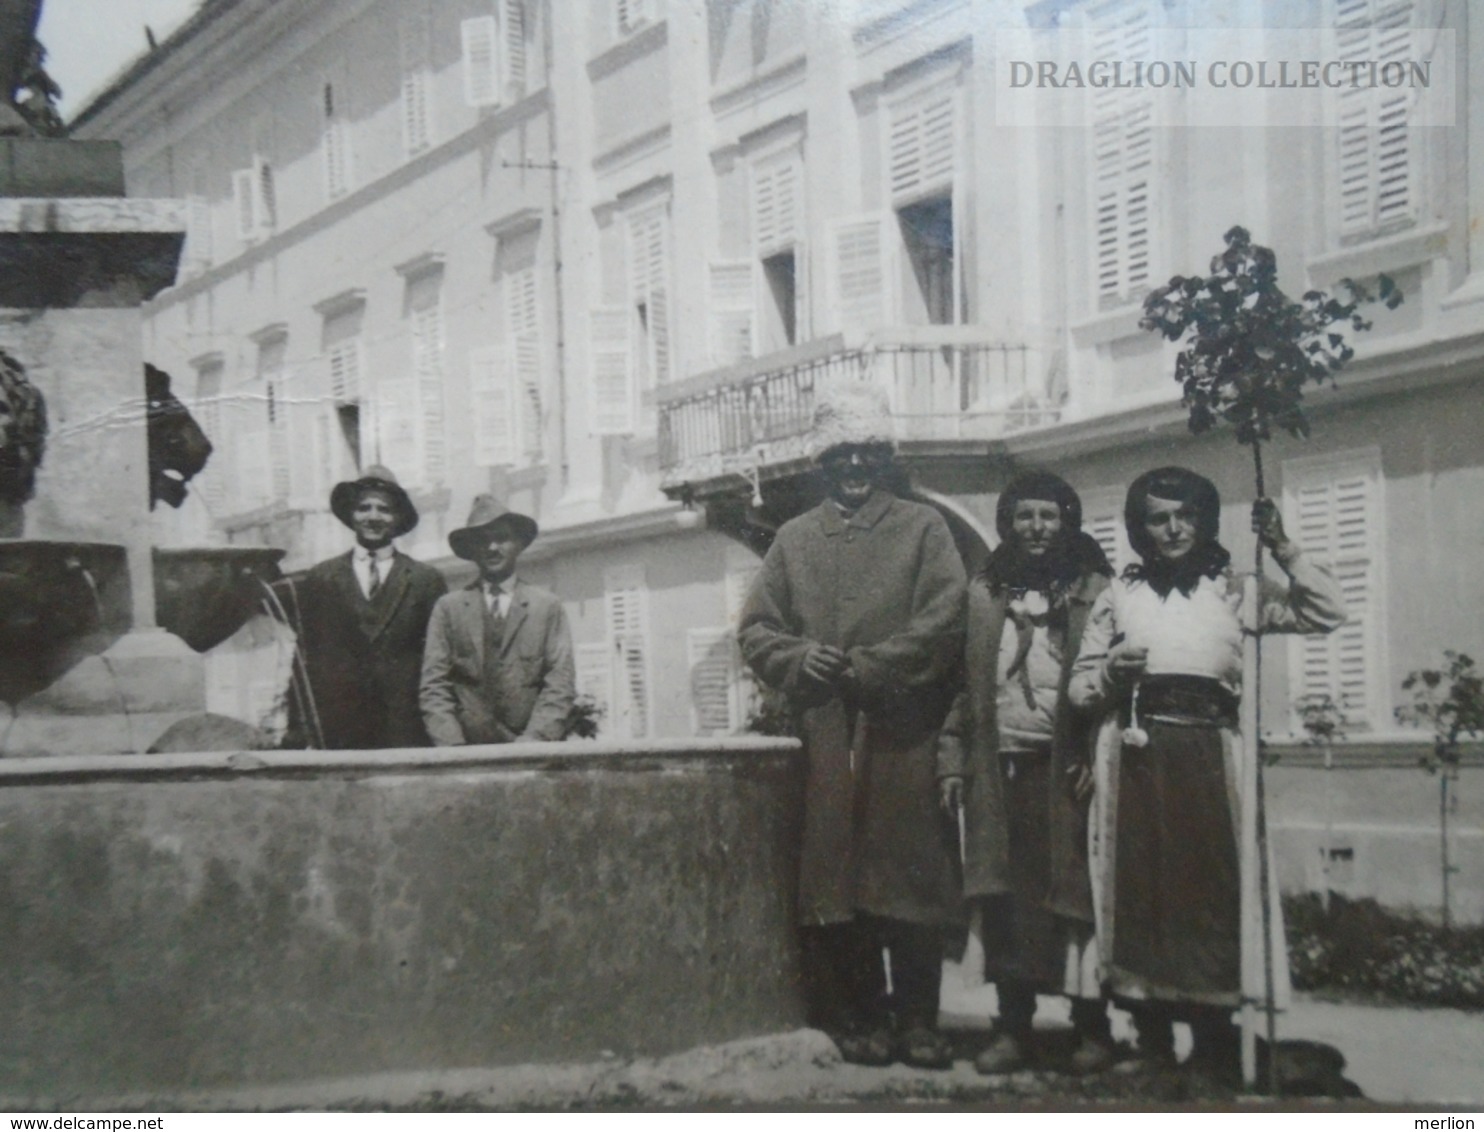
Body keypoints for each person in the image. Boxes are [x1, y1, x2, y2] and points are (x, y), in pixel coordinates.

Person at [1068, 466, 1345, 1081]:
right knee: (1141, 891)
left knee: (1210, 893)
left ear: (1206, 519)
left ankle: (1215, 1044)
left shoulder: (1239, 588)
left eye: (1184, 515)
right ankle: (1152, 1042)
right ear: (1140, 527)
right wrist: (1112, 672)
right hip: (1136, 756)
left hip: (1212, 757)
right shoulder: (1121, 595)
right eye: (1158, 518)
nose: (1172, 529)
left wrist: (1282, 546)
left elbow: (1327, 611)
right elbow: (1080, 692)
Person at [737, 383, 966, 1070]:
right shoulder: (795, 539)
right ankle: (863, 1015)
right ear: (823, 466)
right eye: (842, 457)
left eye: (868, 454)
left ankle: (920, 1020)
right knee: (843, 883)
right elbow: (755, 630)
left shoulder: (924, 529)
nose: (856, 468)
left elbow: (946, 616)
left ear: (885, 459)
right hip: (826, 734)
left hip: (905, 727)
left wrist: (875, 666)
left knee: (910, 876)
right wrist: (802, 657)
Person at [937, 470, 1117, 1075]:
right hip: (1000, 771)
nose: (1036, 528)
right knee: (1004, 898)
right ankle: (1012, 1027)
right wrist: (952, 761)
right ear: (1007, 524)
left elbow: (1112, 687)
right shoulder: (986, 593)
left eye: (1049, 515)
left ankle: (1090, 1028)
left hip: (1067, 774)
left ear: (1067, 521)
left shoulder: (1095, 590)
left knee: (1074, 899)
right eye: (1024, 516)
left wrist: (1096, 755)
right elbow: (965, 686)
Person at [285, 465, 448, 749]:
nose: (373, 517)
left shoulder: (425, 580)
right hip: (338, 729)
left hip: (405, 730)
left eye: (384, 509)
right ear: (351, 514)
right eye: (364, 508)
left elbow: (439, 662)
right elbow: (304, 657)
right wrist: (297, 728)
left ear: (397, 518)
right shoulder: (321, 578)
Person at [420, 494, 574, 745]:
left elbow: (560, 683)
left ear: (518, 544)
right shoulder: (449, 608)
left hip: (529, 751)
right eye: (482, 540)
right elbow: (434, 686)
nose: (492, 548)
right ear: (472, 548)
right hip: (465, 753)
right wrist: (452, 747)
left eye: (502, 538)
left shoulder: (545, 607)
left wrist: (534, 741)